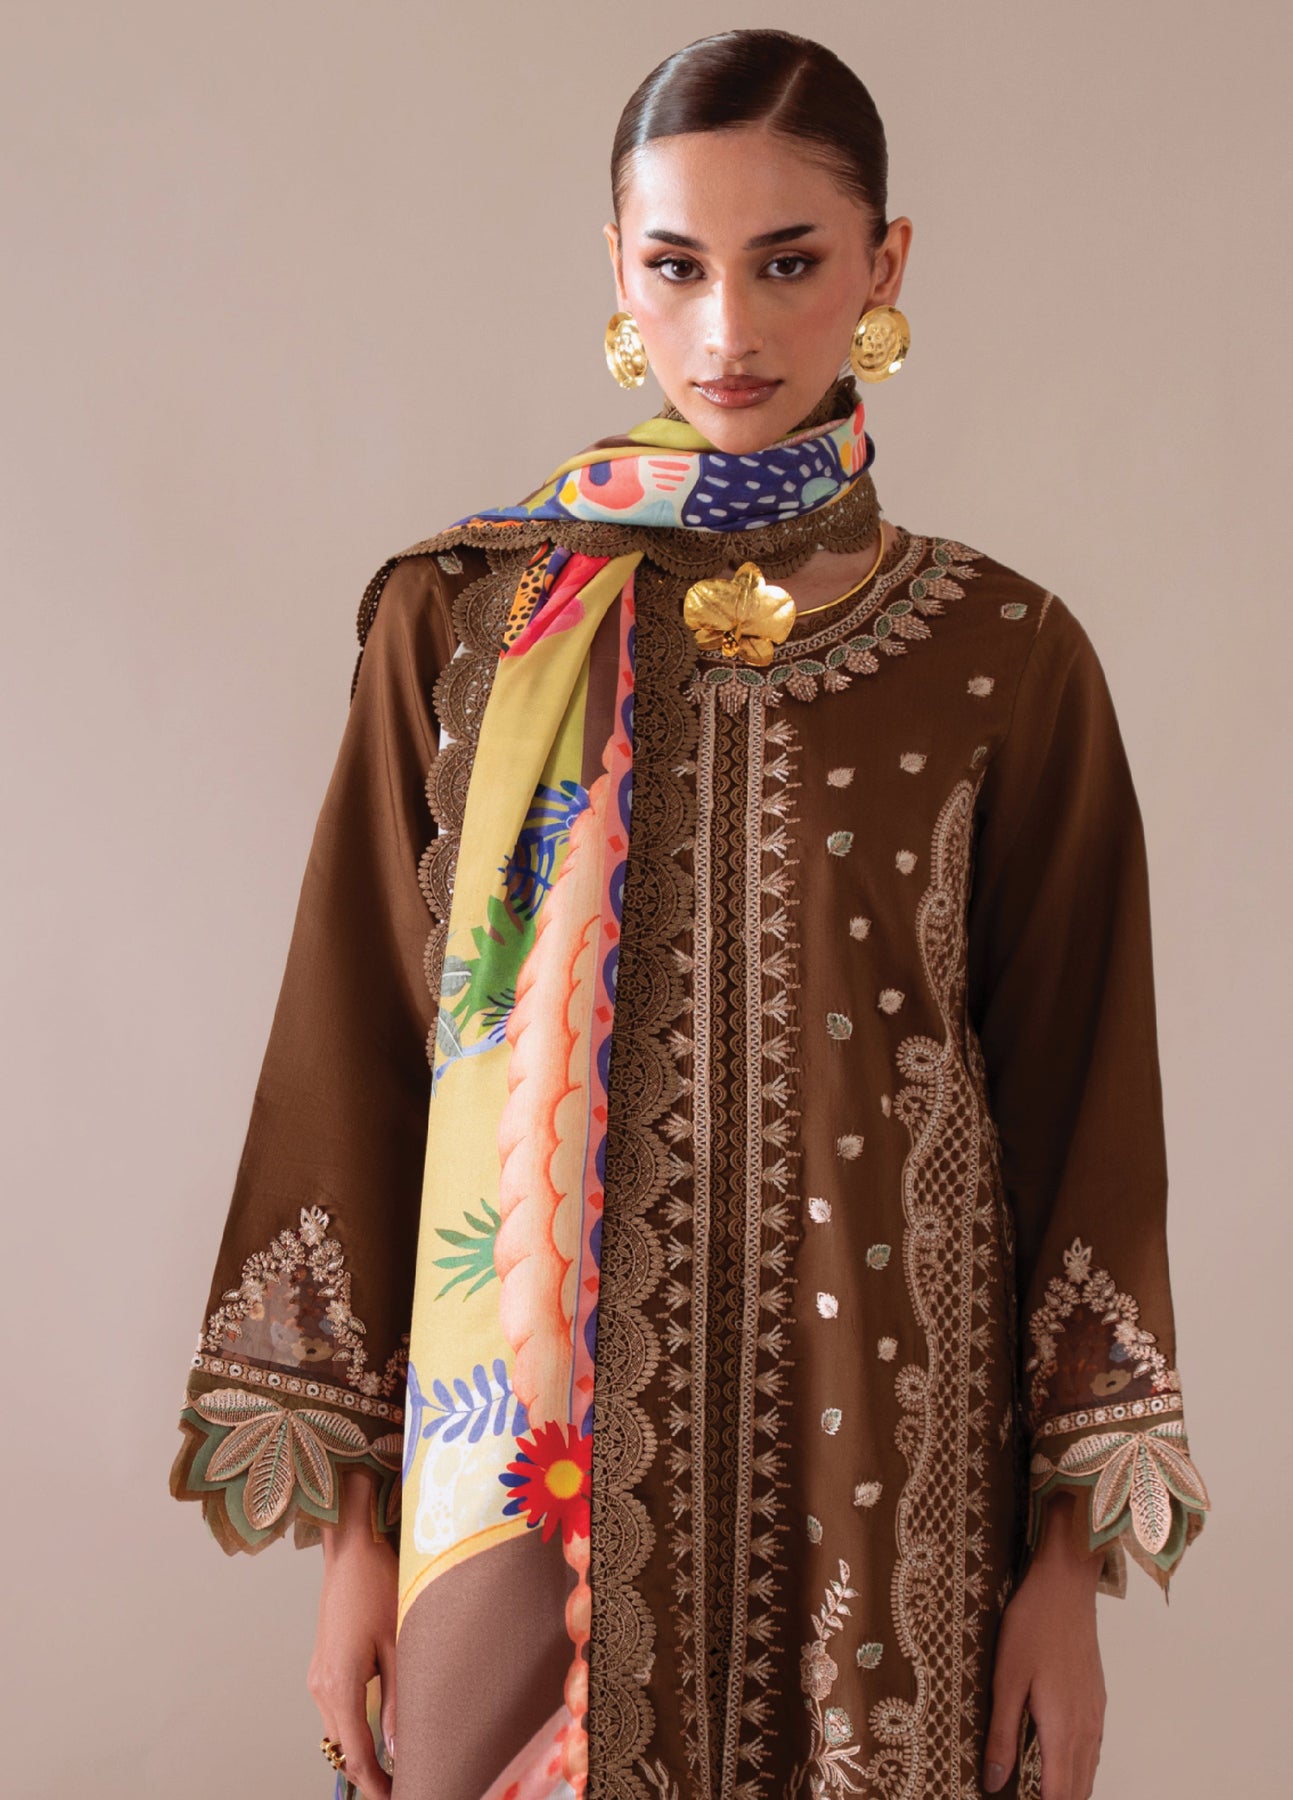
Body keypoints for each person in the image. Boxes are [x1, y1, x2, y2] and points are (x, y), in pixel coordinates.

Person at [169, 28, 1211, 1800]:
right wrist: (356, 1543)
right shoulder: (466, 627)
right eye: (676, 265)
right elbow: (359, 1055)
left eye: (787, 263)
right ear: (616, 271)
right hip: (521, 1500)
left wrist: (1064, 1578)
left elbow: (1079, 1119)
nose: (726, 327)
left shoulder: (1003, 656)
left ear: (882, 265)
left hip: (892, 1486)